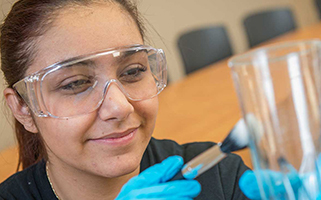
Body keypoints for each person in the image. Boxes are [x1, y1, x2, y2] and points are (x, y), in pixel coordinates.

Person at [0, 0, 249, 199]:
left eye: (133, 71)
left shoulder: (219, 175)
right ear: (23, 108)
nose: (120, 106)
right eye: (75, 83)